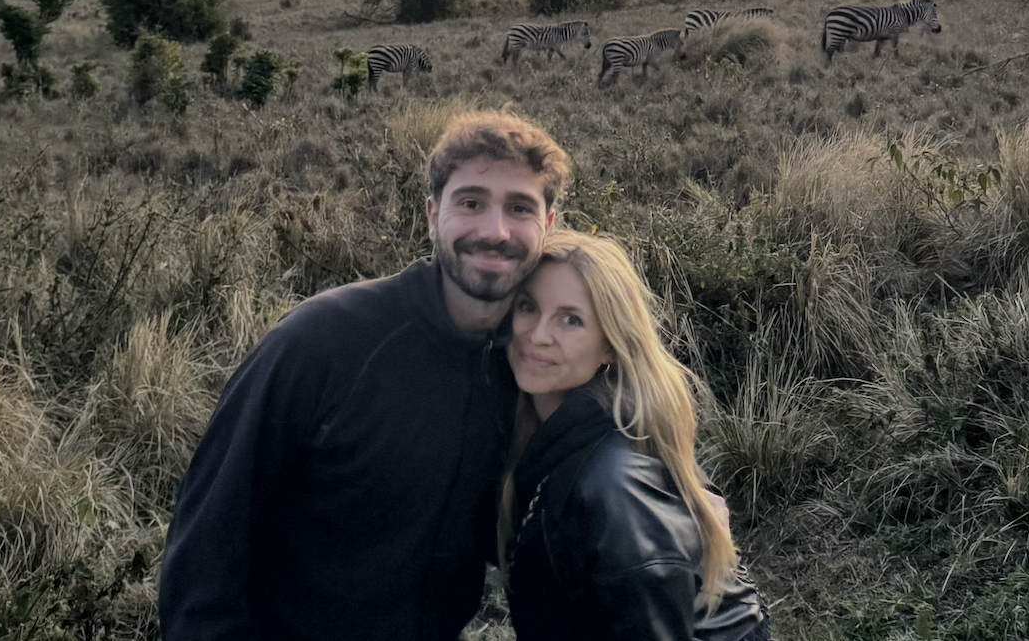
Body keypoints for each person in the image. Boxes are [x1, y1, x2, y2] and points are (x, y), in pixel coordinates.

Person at [160, 109, 571, 641]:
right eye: (471, 202)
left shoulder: (531, 361)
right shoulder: (323, 341)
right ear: (432, 215)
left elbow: (620, 425)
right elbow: (206, 548)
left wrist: (679, 494)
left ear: (548, 226)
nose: (494, 231)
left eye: (520, 208)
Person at [502, 230, 768, 641]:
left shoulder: (615, 488)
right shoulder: (557, 438)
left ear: (609, 346)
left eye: (571, 319)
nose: (538, 334)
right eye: (527, 307)